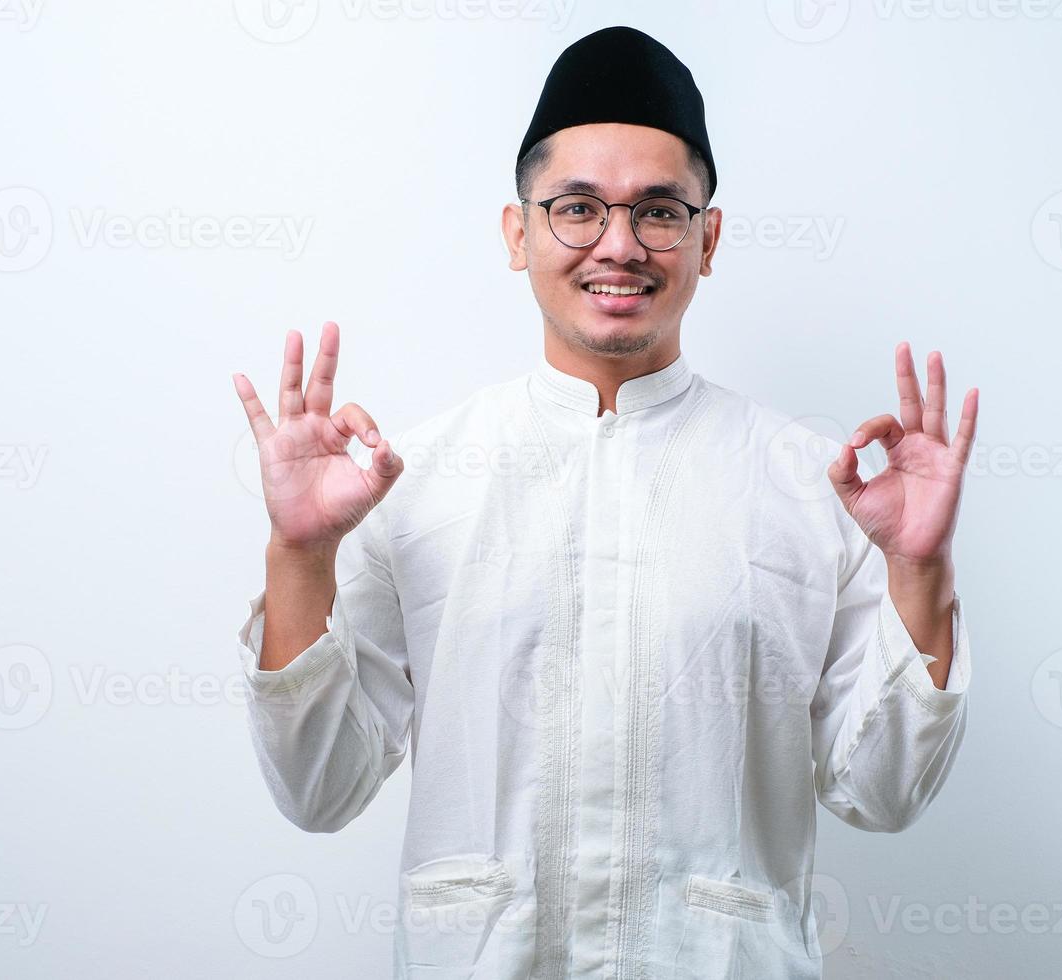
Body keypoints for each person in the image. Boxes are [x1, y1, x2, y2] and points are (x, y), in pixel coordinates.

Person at [230, 25, 978, 979]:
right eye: (577, 207)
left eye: (659, 211)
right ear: (519, 232)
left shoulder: (812, 487)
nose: (618, 246)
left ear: (708, 238)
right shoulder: (410, 483)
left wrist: (919, 569)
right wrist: (300, 558)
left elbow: (883, 790)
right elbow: (318, 789)